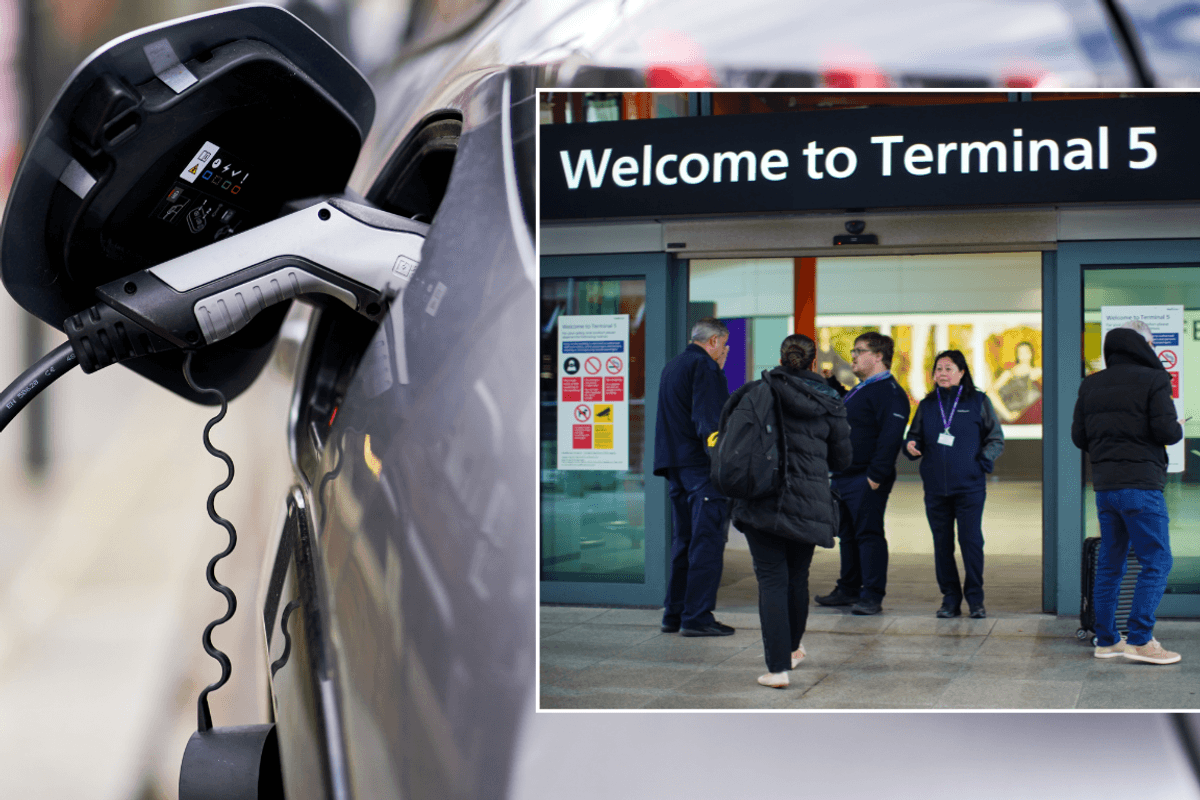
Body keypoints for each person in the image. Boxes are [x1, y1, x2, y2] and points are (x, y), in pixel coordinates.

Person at [728, 334, 852, 687]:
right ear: (814, 362)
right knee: (797, 578)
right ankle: (794, 650)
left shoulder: (758, 391)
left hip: (762, 498)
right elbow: (843, 459)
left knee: (771, 581)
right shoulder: (830, 401)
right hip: (808, 503)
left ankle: (778, 668)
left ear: (782, 358)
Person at [1072, 320, 1184, 665]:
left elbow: (1079, 438)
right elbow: (1167, 430)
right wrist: (1176, 427)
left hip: (1106, 487)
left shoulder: (1091, 385)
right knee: (1157, 560)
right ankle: (1139, 639)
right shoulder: (1154, 379)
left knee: (1110, 563)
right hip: (1141, 485)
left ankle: (1107, 640)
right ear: (1142, 346)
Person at [814, 331, 910, 616]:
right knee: (850, 535)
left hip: (866, 477)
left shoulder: (889, 393)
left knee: (868, 535)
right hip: (846, 475)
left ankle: (871, 595)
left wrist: (876, 476)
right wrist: (831, 383)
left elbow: (890, 437)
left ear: (878, 356)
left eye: (859, 351)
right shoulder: (864, 388)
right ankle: (848, 589)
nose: (853, 356)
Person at [904, 350, 1005, 619]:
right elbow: (913, 437)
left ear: (961, 372)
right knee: (942, 544)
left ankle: (975, 600)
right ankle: (950, 598)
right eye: (938, 369)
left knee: (971, 542)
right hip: (936, 488)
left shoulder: (977, 401)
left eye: (949, 368)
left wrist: (982, 462)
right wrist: (910, 445)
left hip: (969, 487)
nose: (943, 374)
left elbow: (995, 439)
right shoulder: (927, 405)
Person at [653, 318, 734, 637]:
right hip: (700, 469)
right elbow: (709, 421)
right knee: (707, 541)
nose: (724, 351)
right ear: (713, 341)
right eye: (724, 345)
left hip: (676, 467)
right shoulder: (705, 367)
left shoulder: (673, 366)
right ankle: (697, 616)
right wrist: (722, 465)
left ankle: (674, 613)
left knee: (684, 541)